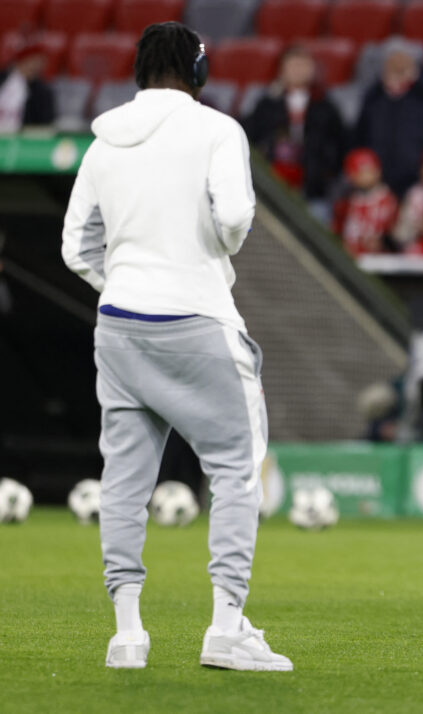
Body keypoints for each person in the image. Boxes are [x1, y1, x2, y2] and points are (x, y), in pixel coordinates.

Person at [60, 22, 290, 671]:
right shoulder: (218, 130)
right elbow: (237, 216)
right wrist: (210, 256)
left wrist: (127, 281)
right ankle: (224, 629)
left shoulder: (103, 141)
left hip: (120, 325)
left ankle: (127, 634)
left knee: (124, 481)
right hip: (197, 317)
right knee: (236, 471)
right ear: (198, 70)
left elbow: (76, 245)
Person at [242, 44, 348, 218]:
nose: (298, 70)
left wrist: (326, 172)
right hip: (273, 187)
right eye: (293, 65)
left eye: (303, 65)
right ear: (282, 70)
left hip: (313, 191)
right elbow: (251, 139)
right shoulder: (266, 105)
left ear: (313, 70)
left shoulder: (326, 107)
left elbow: (339, 144)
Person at [354, 41, 423, 199]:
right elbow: (359, 136)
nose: (398, 65)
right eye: (393, 61)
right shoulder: (373, 97)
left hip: (417, 182)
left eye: (403, 60)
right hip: (377, 183)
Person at [332, 147, 399, 255]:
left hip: (379, 258)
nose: (365, 176)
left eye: (368, 171)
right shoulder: (346, 203)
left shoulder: (389, 200)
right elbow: (337, 231)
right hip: (350, 257)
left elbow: (394, 233)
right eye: (360, 173)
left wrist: (383, 242)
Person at [0, 39, 55, 132]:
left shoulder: (42, 92)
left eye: (41, 62)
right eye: (34, 61)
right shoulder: (3, 79)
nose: (37, 66)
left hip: (20, 138)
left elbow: (44, 123)